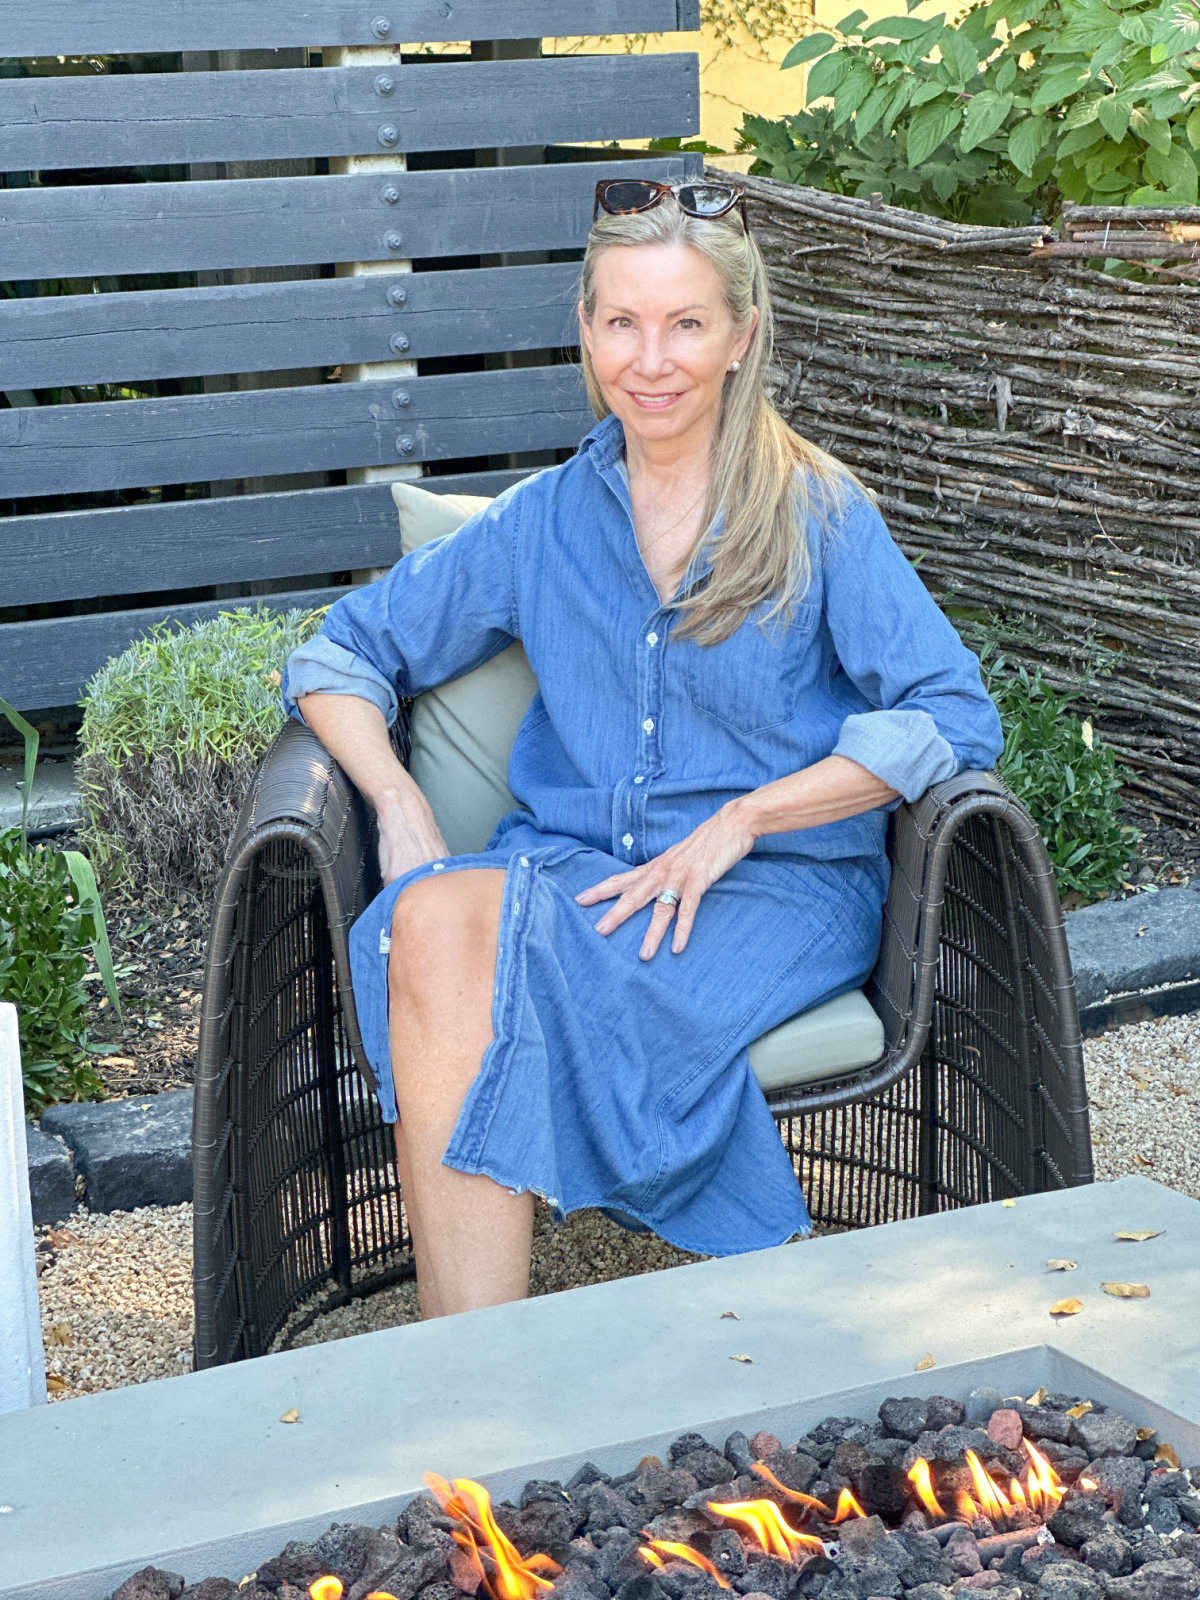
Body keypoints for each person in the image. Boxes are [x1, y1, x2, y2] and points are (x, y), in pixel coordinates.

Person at [282, 177, 1002, 1320]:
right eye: (622, 321)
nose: (651, 359)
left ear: (740, 338)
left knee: (465, 952)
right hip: (575, 872)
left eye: (686, 323)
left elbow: (951, 711)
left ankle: (460, 1387)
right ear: (584, 329)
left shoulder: (817, 512)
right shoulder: (544, 522)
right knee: (427, 914)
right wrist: (394, 800)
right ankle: (471, 1361)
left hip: (775, 889)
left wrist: (746, 818)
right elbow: (339, 654)